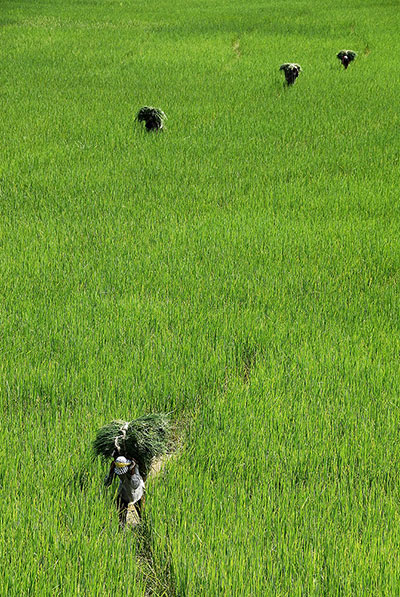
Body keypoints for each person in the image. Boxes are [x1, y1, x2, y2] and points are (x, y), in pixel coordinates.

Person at [105, 455, 145, 527]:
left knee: (142, 513)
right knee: (121, 510)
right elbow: (107, 483)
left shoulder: (134, 467)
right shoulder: (116, 468)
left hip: (137, 491)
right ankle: (122, 527)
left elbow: (135, 485)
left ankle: (144, 525)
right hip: (124, 490)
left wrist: (132, 472)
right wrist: (111, 472)